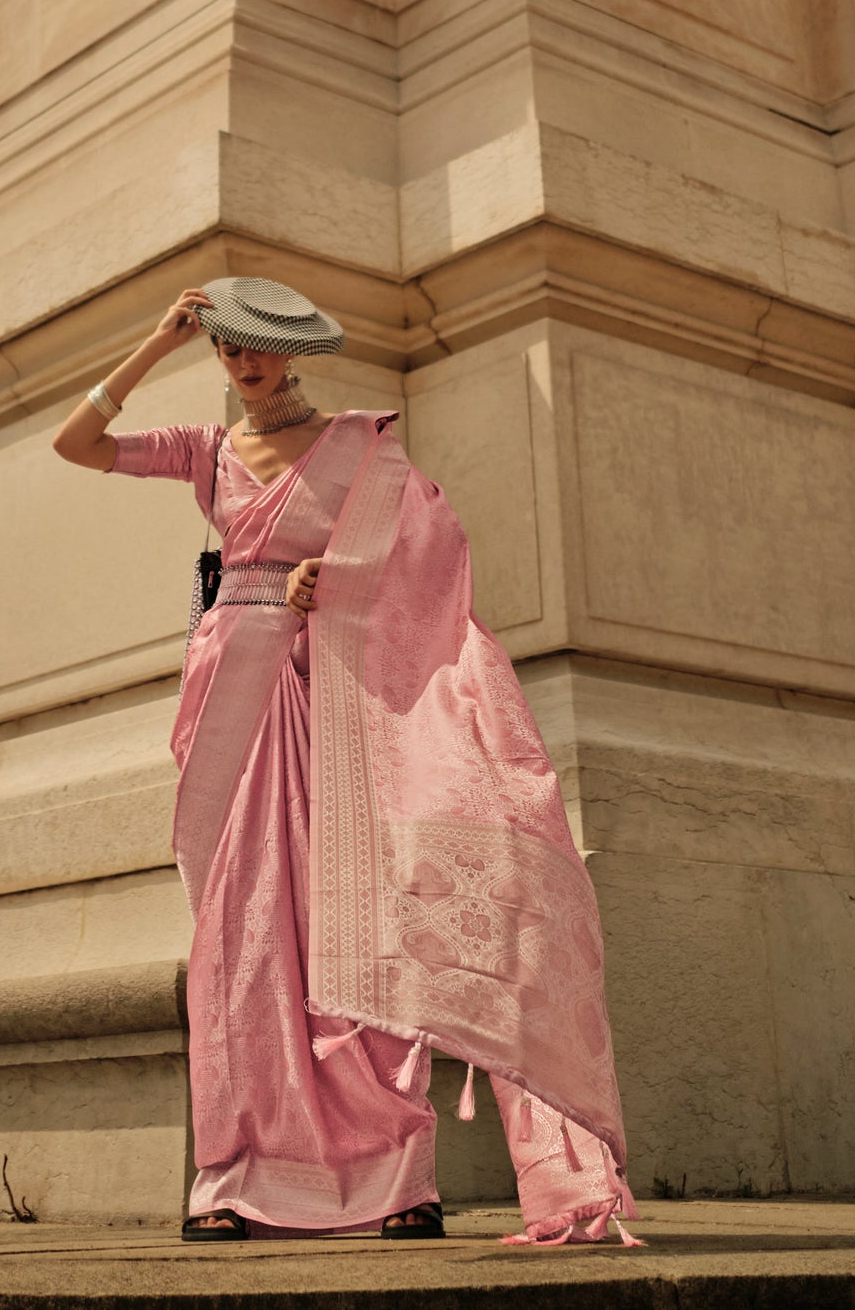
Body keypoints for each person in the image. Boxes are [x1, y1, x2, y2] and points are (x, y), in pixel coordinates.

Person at [52, 276, 642, 1246]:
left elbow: (433, 556)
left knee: (358, 919)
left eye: (259, 347)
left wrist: (340, 580)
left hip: (337, 698)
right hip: (233, 697)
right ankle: (236, 1174)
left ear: (294, 353)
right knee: (240, 935)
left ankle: (399, 1176)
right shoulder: (205, 450)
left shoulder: (361, 451)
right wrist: (153, 344)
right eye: (226, 347)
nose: (243, 362)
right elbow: (77, 445)